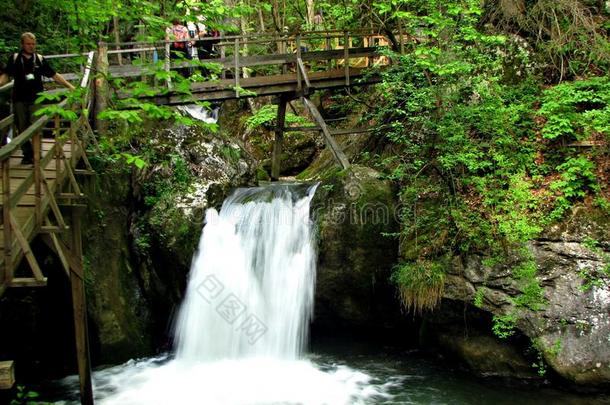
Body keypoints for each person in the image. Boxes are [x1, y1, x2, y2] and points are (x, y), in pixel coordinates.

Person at [0, 32, 75, 164]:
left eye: (33, 44)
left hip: (36, 98)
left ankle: (37, 155)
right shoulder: (15, 58)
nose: (31, 46)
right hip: (19, 98)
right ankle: (27, 155)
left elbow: (54, 75)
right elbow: (6, 76)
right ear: (22, 44)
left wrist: (69, 86)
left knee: (36, 126)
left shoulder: (39, 59)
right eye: (28, 44)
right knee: (21, 127)